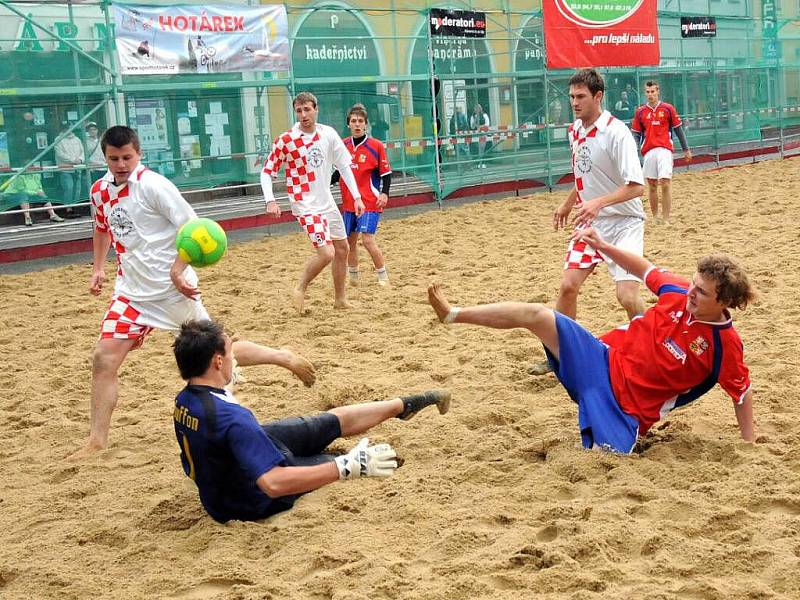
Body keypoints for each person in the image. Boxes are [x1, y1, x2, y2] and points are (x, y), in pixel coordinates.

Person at [67, 126, 316, 461]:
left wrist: (177, 269)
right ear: (105, 157)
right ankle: (97, 440)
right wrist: (98, 267)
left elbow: (196, 229)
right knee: (103, 358)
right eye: (114, 158)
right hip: (131, 294)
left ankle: (282, 357)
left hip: (174, 290)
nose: (121, 164)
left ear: (139, 154)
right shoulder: (100, 191)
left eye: (127, 157)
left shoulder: (154, 186)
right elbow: (101, 229)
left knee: (217, 352)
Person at [427, 226, 755, 454]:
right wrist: (603, 247)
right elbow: (645, 269)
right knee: (538, 316)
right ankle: (453, 314)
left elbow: (741, 392)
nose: (691, 293)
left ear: (723, 302)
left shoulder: (724, 345)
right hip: (600, 359)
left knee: (605, 458)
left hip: (625, 410)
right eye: (693, 284)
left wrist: (748, 441)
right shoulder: (676, 290)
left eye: (701, 292)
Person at [172, 318, 451, 522]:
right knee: (356, 463)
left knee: (322, 424)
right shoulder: (232, 418)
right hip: (249, 498)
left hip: (229, 473)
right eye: (231, 353)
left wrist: (283, 357)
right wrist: (346, 467)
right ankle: (346, 457)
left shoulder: (186, 399)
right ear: (218, 362)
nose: (236, 358)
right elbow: (273, 483)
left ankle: (403, 405)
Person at [529, 68, 646, 376]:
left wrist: (598, 202)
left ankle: (649, 345)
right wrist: (569, 203)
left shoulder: (616, 132)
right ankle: (561, 357)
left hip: (624, 223)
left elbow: (637, 186)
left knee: (627, 297)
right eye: (571, 97)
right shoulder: (575, 130)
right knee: (568, 286)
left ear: (598, 96)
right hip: (590, 223)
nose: (575, 103)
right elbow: (586, 174)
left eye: (581, 97)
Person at [261, 92, 364, 315]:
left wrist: (356, 196)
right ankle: (300, 287)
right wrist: (270, 200)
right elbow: (266, 172)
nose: (303, 114)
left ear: (316, 109)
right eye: (299, 110)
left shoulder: (328, 133)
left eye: (307, 109)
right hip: (304, 204)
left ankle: (340, 299)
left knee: (342, 248)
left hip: (326, 201)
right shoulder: (287, 140)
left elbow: (344, 165)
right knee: (326, 253)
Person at [331, 103, 392, 287]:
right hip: (349, 202)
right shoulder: (342, 145)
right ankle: (354, 278)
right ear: (348, 124)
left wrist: (385, 193)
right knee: (349, 242)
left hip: (369, 202)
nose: (357, 124)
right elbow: (338, 172)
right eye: (353, 121)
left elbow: (386, 174)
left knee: (367, 240)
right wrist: (324, 186)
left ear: (366, 124)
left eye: (360, 121)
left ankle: (383, 276)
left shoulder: (376, 146)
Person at [631, 81, 692, 224]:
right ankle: (655, 217)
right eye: (648, 92)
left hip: (665, 149)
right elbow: (636, 134)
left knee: (665, 183)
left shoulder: (668, 108)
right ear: (645, 93)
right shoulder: (640, 112)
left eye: (653, 91)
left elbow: (678, 130)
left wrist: (686, 149)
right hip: (649, 151)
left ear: (658, 92)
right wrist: (634, 152)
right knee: (652, 185)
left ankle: (665, 219)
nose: (650, 94)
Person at [54, 121, 84, 215]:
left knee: (77, 189)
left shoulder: (77, 139)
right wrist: (73, 160)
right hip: (65, 169)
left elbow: (83, 151)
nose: (68, 129)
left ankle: (75, 206)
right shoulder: (58, 139)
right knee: (69, 188)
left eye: (69, 127)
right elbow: (60, 154)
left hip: (77, 168)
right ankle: (68, 208)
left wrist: (80, 159)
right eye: (66, 128)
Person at [84, 122, 106, 194]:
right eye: (90, 130)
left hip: (104, 167)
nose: (92, 131)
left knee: (104, 187)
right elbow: (84, 155)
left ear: (97, 130)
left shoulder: (102, 141)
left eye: (94, 129)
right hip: (93, 169)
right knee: (95, 188)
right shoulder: (85, 142)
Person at [470, 104, 491, 168]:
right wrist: (475, 123)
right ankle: (479, 162)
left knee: (482, 148)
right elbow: (472, 126)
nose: (477, 110)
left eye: (478, 108)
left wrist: (481, 127)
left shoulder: (484, 115)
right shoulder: (473, 116)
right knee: (478, 149)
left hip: (483, 133)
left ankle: (482, 162)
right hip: (476, 134)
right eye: (476, 108)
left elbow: (487, 124)